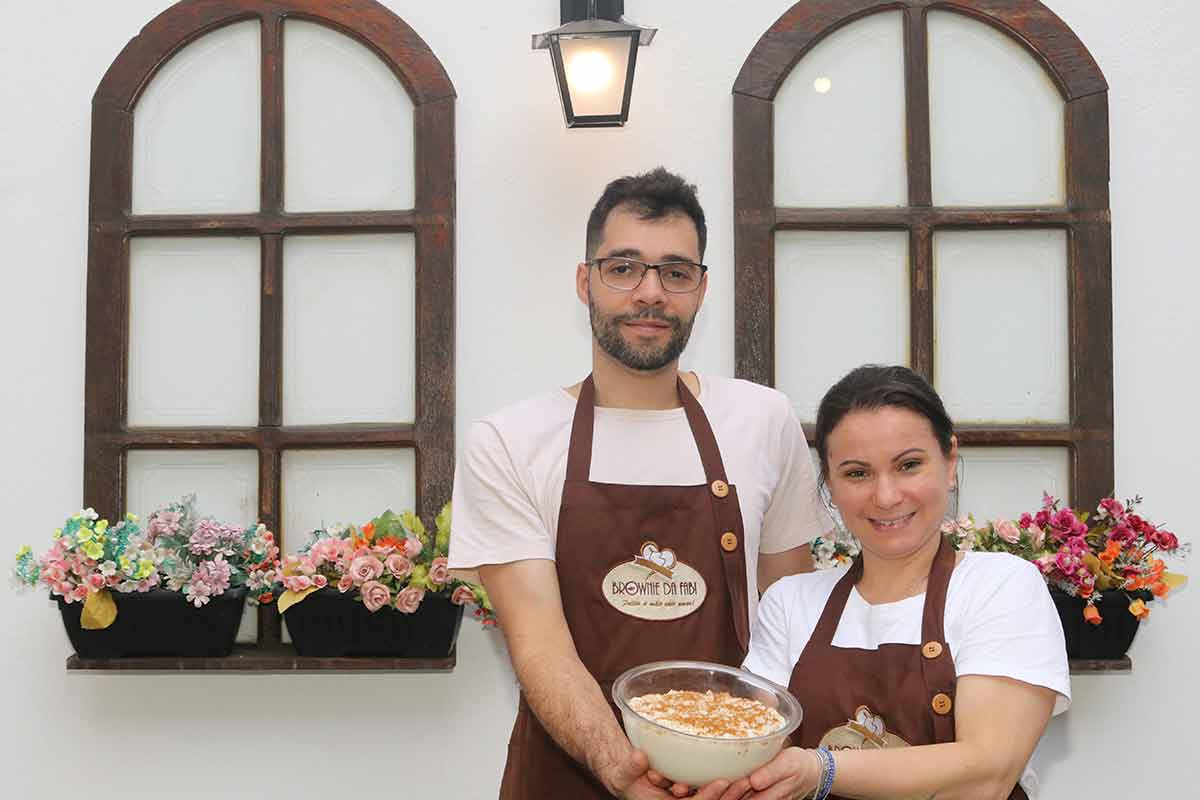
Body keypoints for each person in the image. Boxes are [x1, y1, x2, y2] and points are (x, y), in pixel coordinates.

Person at [448, 167, 830, 799]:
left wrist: (750, 761)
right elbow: (539, 644)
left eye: (675, 272)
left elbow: (790, 625)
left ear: (701, 290)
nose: (650, 293)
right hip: (570, 771)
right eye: (623, 267)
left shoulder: (763, 420)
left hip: (733, 782)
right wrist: (618, 765)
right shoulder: (511, 440)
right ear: (585, 281)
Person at [719, 365, 1070, 800]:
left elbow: (985, 775)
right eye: (857, 473)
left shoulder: (1000, 587)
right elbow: (756, 761)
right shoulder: (791, 603)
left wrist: (821, 770)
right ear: (829, 485)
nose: (885, 496)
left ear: (950, 462)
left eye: (908, 465)